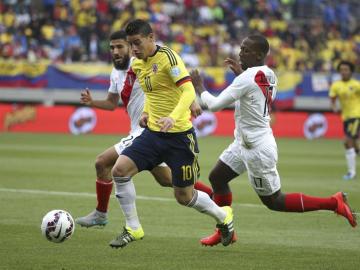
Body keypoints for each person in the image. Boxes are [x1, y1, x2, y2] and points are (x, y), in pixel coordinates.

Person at [190, 34, 357, 247]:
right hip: (243, 143)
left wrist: (200, 87)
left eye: (246, 50)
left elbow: (213, 105)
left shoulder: (247, 78)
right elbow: (254, 90)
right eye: (241, 48)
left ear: (259, 54)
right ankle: (225, 229)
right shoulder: (269, 74)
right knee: (218, 178)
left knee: (275, 201)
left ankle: (334, 202)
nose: (240, 53)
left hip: (257, 149)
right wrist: (242, 74)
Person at [108, 19, 234, 249]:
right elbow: (152, 93)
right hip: (152, 134)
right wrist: (146, 113)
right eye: (130, 44)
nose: (134, 49)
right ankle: (133, 228)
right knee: (119, 171)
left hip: (179, 137)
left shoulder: (168, 58)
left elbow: (187, 90)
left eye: (137, 43)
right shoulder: (137, 64)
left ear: (151, 38)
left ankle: (224, 217)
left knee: (184, 197)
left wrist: (173, 117)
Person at [75, 30, 211, 232]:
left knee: (103, 162)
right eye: (112, 48)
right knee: (168, 180)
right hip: (142, 130)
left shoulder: (143, 61)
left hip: (147, 130)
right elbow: (112, 103)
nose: (115, 51)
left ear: (131, 46)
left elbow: (175, 80)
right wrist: (92, 102)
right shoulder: (116, 73)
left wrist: (191, 102)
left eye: (120, 46)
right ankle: (214, 196)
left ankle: (102, 214)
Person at [329, 61, 360, 180]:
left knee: (347, 141)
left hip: (356, 115)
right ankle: (356, 152)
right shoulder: (336, 85)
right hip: (346, 117)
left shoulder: (356, 84)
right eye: (341, 69)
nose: (344, 72)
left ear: (351, 71)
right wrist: (334, 108)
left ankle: (351, 173)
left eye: (346, 69)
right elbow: (332, 98)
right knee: (352, 144)